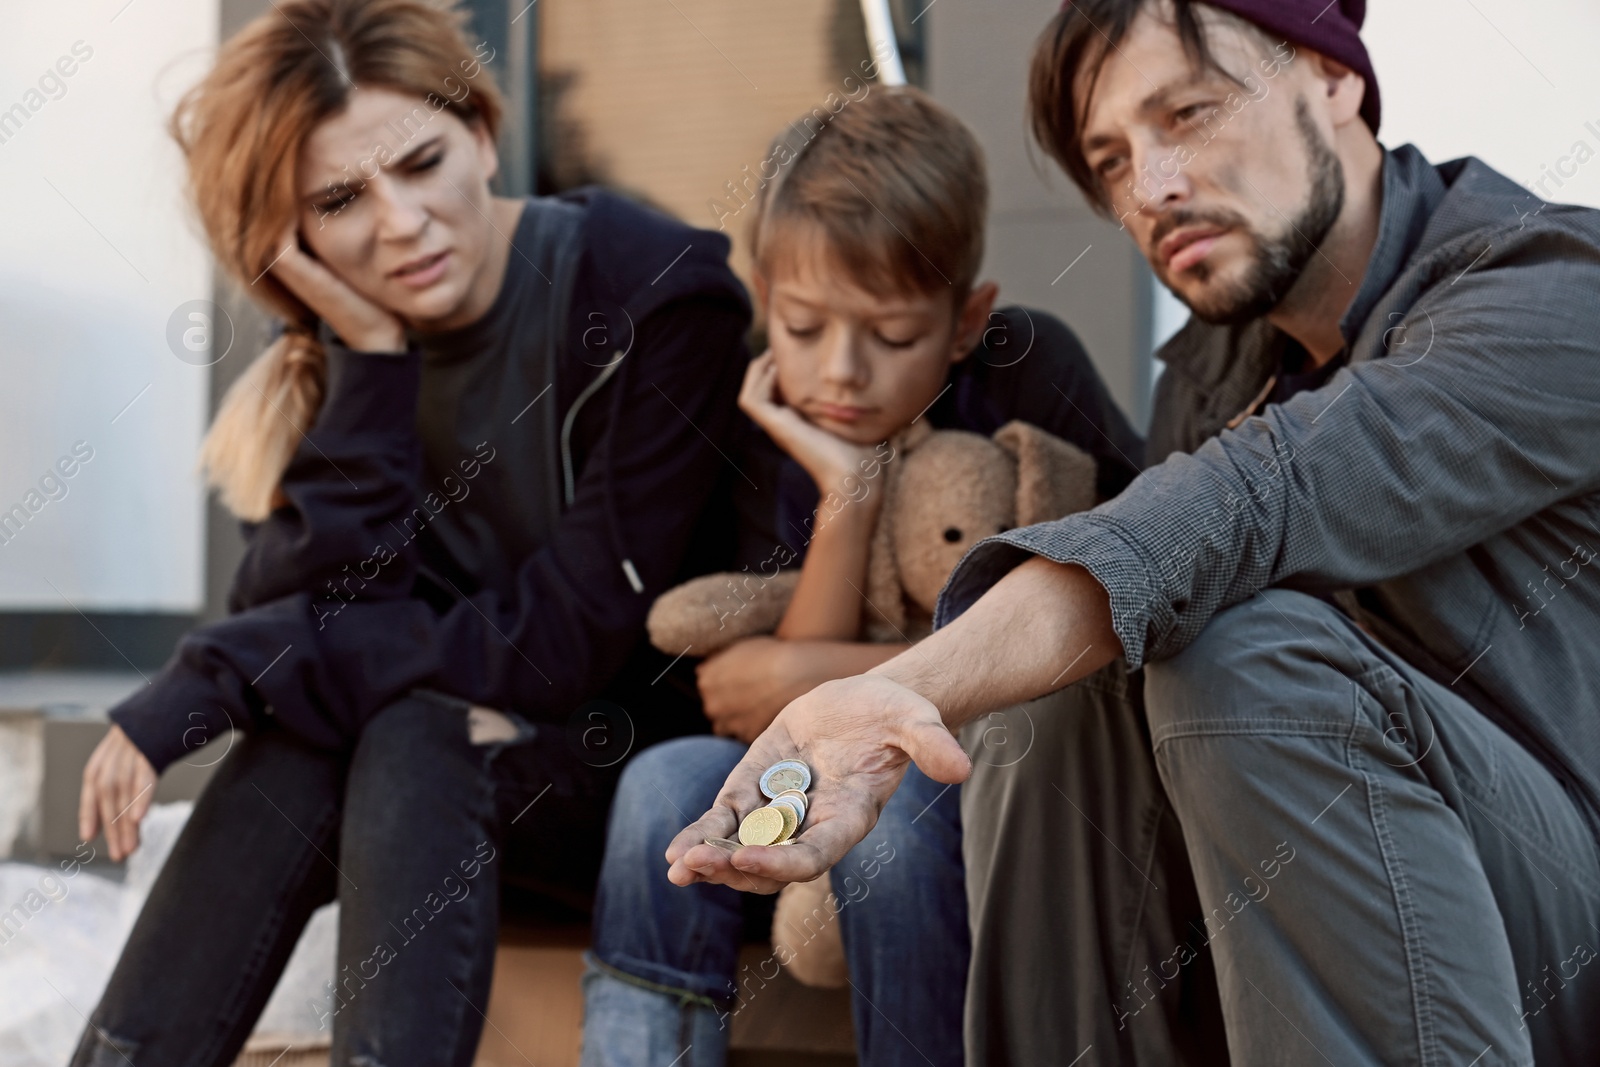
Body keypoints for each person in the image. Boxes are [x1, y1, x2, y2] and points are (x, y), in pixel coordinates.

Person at [669, 2, 1600, 1065]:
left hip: (1560, 920)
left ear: (1331, 78)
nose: (1151, 187)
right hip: (1318, 935)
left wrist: (910, 683)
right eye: (1110, 157)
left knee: (1234, 652)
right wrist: (903, 694)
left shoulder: (1552, 290)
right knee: (1067, 687)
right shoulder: (1216, 372)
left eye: (1188, 114)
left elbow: (1266, 493)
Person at [70, 1, 750, 1064]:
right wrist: (372, 365)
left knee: (407, 726)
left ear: (481, 133)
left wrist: (212, 673)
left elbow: (567, 640)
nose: (399, 222)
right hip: (435, 783)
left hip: (648, 781)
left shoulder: (656, 295)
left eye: (420, 162)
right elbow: (310, 620)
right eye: (340, 200)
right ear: (293, 243)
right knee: (333, 739)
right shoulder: (349, 359)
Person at [579, 86, 1144, 1067]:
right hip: (821, 763)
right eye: (803, 328)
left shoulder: (1028, 369)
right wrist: (848, 490)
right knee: (662, 783)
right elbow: (738, 697)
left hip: (999, 766)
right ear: (766, 297)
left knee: (897, 818)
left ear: (968, 320)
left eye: (889, 337)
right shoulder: (765, 421)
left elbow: (1118, 599)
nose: (840, 373)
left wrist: (821, 669)